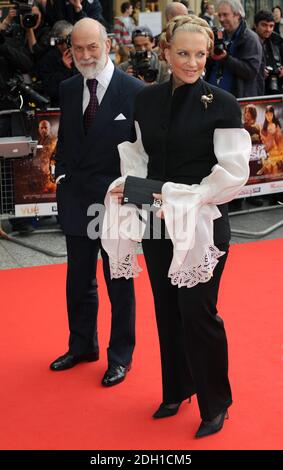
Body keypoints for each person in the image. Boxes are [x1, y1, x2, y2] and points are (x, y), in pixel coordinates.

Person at [102, 15, 251, 437]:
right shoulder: (145, 100)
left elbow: (232, 173)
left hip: (202, 223)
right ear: (165, 52)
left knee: (198, 312)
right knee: (166, 309)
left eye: (200, 54)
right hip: (155, 221)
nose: (192, 63)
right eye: (183, 53)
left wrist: (183, 198)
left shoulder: (223, 103)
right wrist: (129, 187)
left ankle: (216, 402)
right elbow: (137, 156)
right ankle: (177, 389)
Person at [50, 18, 144, 387]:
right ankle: (82, 346)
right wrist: (60, 173)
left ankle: (120, 356)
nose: (86, 55)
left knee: (118, 280)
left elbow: (144, 153)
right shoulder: (69, 88)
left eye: (92, 47)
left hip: (116, 202)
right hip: (77, 198)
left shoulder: (135, 91)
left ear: (108, 44)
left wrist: (135, 196)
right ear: (69, 51)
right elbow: (68, 139)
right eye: (78, 49)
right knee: (78, 279)